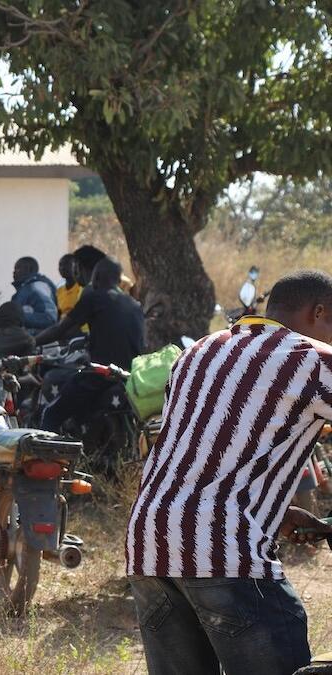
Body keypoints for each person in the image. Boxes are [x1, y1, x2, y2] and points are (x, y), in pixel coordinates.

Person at [125, 270, 332, 675]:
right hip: (225, 549)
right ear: (318, 311)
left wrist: (278, 512)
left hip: (149, 543)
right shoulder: (311, 358)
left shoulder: (199, 351)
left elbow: (203, 449)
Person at [35, 257, 145, 432]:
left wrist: (31, 342)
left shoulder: (94, 297)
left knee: (51, 414)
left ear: (97, 277)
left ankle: (45, 457)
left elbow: (61, 329)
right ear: (118, 279)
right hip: (129, 377)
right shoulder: (134, 305)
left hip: (100, 374)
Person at [11, 256, 58, 332]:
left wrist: (17, 317)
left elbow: (50, 318)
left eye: (18, 268)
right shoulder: (24, 289)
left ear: (29, 269)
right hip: (27, 339)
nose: (14, 272)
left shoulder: (37, 287)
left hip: (40, 340)